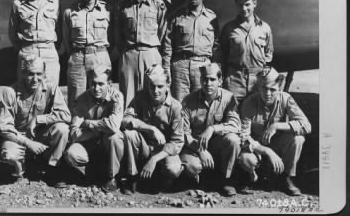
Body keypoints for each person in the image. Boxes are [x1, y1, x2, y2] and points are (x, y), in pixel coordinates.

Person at [0, 55, 71, 188]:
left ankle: (52, 168)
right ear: (23, 73)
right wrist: (29, 143)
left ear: (44, 74)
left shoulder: (51, 88)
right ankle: (21, 169)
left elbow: (66, 115)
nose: (35, 79)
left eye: (39, 74)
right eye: (30, 74)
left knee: (62, 129)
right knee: (9, 154)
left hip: (41, 135)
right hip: (19, 137)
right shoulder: (10, 92)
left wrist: (39, 119)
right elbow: (3, 127)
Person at [238, 67, 312, 196]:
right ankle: (253, 176)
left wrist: (277, 126)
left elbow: (306, 125)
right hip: (257, 148)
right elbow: (243, 136)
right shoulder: (249, 103)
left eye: (272, 89)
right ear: (258, 87)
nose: (268, 93)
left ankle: (287, 177)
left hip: (278, 145)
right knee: (246, 159)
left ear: (280, 88)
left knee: (298, 139)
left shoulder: (286, 99)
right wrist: (266, 151)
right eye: (264, 88)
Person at [180, 63, 241, 196]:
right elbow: (183, 132)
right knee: (192, 167)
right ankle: (201, 179)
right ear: (200, 80)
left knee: (233, 140)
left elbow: (235, 125)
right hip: (195, 147)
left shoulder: (229, 98)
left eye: (212, 79)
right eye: (205, 79)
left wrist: (213, 128)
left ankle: (226, 180)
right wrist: (199, 149)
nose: (208, 83)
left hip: (217, 146)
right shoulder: (188, 101)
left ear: (220, 80)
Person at [121, 64, 184, 194]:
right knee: (129, 134)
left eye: (160, 87)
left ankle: (161, 179)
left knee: (173, 168)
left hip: (163, 151)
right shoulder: (140, 97)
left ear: (167, 85)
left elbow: (177, 142)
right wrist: (150, 129)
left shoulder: (175, 107)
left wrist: (154, 159)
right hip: (144, 147)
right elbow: (126, 119)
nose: (155, 91)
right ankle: (132, 176)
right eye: (152, 86)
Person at [114, 0, 168, 108]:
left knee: (152, 95)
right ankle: (128, 129)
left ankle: (151, 129)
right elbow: (118, 35)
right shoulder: (122, 6)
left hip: (150, 54)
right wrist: (126, 52)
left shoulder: (158, 5)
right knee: (127, 97)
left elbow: (162, 32)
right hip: (129, 55)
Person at [64, 64, 124, 192]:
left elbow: (113, 126)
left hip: (108, 143)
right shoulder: (81, 99)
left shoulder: (117, 97)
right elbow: (74, 134)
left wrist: (87, 123)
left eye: (101, 84)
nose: (96, 88)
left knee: (114, 137)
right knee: (72, 154)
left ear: (109, 84)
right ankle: (90, 171)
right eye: (93, 84)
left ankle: (112, 177)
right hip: (90, 143)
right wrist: (99, 132)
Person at [162, 0, 221, 102]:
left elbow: (216, 46)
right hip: (180, 66)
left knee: (201, 104)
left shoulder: (211, 18)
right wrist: (166, 68)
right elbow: (167, 45)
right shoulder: (175, 17)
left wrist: (215, 69)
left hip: (203, 65)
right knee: (179, 105)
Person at [62, 0, 112, 109]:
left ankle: (99, 129)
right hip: (78, 58)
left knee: (101, 100)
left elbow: (115, 37)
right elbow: (66, 39)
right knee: (76, 102)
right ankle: (76, 129)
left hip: (100, 56)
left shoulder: (107, 10)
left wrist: (103, 54)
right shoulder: (70, 12)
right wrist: (75, 54)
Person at [9, 0, 62, 86]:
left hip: (49, 53)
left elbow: (60, 31)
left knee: (51, 92)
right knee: (26, 93)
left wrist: (51, 48)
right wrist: (25, 48)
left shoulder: (55, 3)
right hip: (28, 52)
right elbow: (12, 32)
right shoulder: (18, 4)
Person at [219, 0, 273, 103]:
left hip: (257, 80)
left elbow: (268, 53)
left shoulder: (265, 28)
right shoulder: (229, 28)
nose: (244, 8)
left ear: (255, 4)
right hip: (235, 80)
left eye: (247, 4)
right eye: (240, 5)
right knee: (232, 115)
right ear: (236, 6)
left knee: (256, 116)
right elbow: (222, 54)